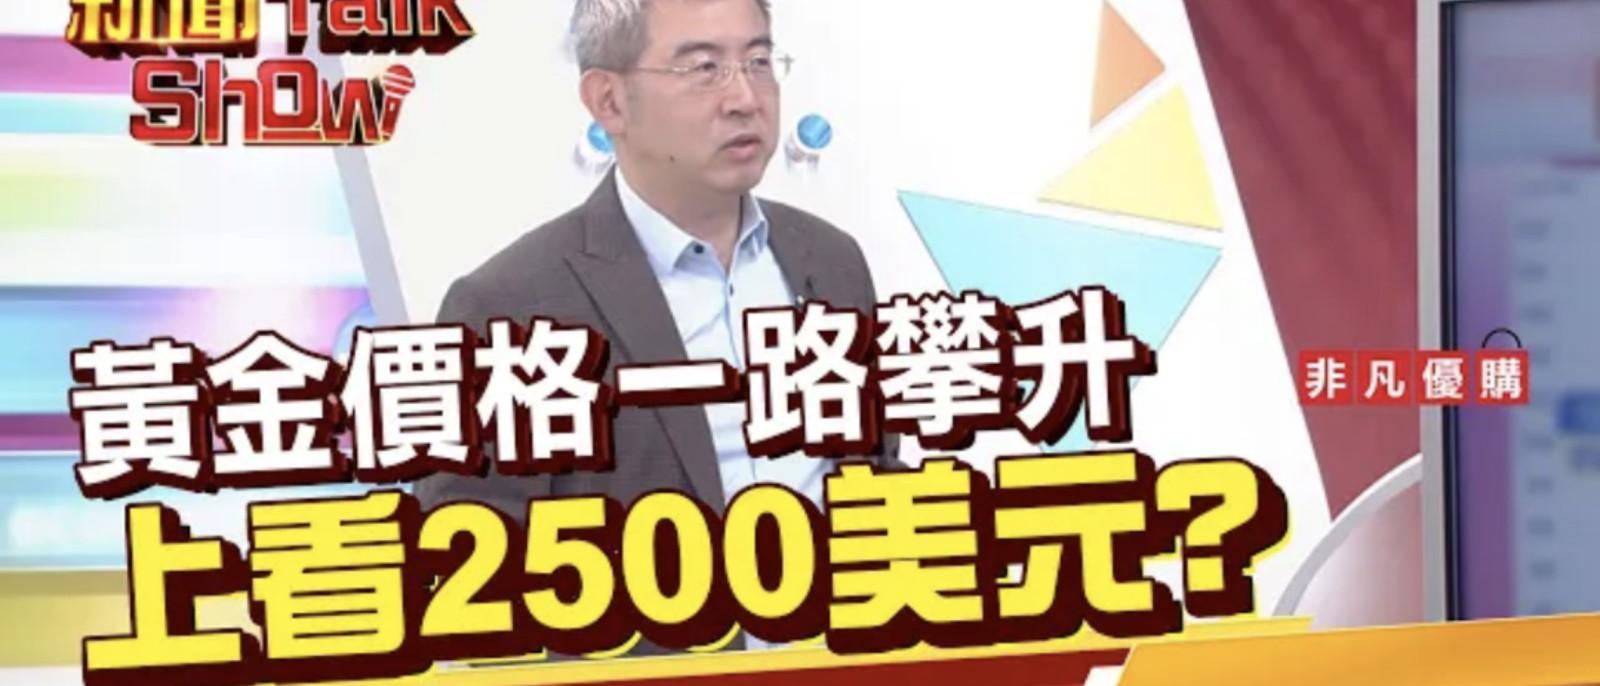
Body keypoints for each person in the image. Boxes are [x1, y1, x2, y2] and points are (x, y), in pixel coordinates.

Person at [414, 0, 903, 658]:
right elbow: (473, 577)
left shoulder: (832, 261)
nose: (744, 98)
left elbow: (873, 475)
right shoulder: (512, 306)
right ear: (609, 100)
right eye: (703, 68)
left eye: (759, 61)